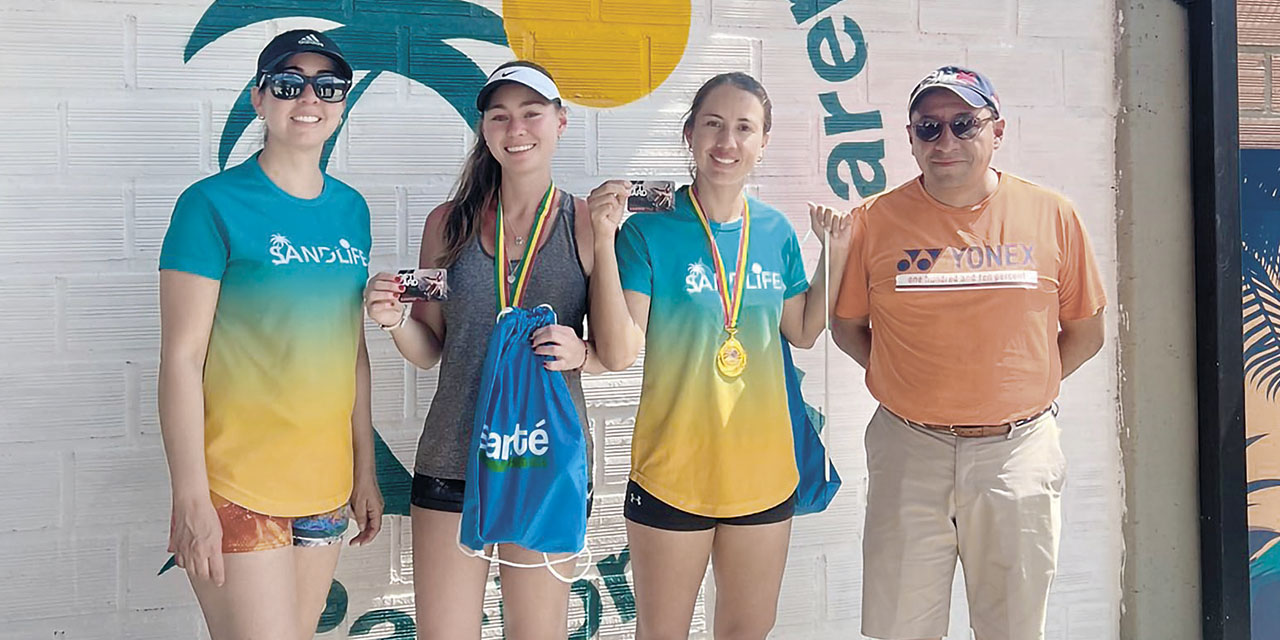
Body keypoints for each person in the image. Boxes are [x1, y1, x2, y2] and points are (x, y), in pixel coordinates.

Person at [831, 66, 1107, 640]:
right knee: (898, 629)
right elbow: (848, 326)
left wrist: (1016, 389)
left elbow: (1085, 331)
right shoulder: (872, 222)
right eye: (928, 128)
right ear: (910, 138)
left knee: (1012, 628)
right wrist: (909, 380)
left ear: (997, 129)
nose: (945, 141)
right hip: (909, 451)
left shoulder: (1053, 215)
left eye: (964, 123)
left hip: (1017, 454)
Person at [363, 61, 630, 639]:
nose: (517, 129)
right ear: (484, 129)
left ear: (560, 122)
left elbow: (620, 348)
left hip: (545, 460)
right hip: (452, 456)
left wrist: (582, 349)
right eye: (500, 116)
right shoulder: (447, 223)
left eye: (532, 113)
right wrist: (392, 321)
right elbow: (430, 348)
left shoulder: (587, 221)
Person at [586, 71, 850, 639]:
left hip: (765, 476)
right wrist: (603, 242)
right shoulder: (647, 231)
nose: (727, 142)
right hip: (672, 471)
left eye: (743, 128)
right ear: (689, 134)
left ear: (763, 142)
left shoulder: (775, 231)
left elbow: (802, 330)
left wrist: (834, 256)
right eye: (713, 125)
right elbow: (622, 348)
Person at [158, 29, 383, 639]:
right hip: (237, 485)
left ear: (341, 104)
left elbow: (352, 353)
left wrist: (365, 471)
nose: (308, 98)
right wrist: (190, 496)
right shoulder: (210, 205)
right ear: (259, 99)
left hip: (325, 488)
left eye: (328, 87)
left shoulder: (352, 210)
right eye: (288, 84)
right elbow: (181, 359)